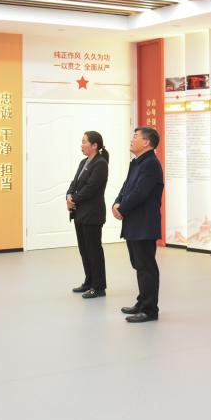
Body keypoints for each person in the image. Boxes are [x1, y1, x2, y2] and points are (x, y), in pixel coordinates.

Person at [113, 127, 165, 323]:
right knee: (139, 265)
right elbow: (126, 187)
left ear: (146, 142)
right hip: (134, 222)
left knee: (146, 267)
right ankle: (142, 302)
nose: (132, 139)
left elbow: (140, 193)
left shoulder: (151, 164)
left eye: (136, 137)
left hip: (144, 223)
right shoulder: (137, 162)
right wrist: (116, 203)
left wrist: (122, 209)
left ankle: (150, 310)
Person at [67, 131, 110, 299]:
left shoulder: (100, 164)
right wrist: (68, 195)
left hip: (92, 214)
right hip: (80, 213)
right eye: (82, 141)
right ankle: (89, 281)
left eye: (84, 142)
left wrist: (73, 199)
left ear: (94, 145)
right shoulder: (83, 162)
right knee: (84, 250)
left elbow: (91, 188)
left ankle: (98, 287)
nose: (82, 145)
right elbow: (74, 183)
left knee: (94, 250)